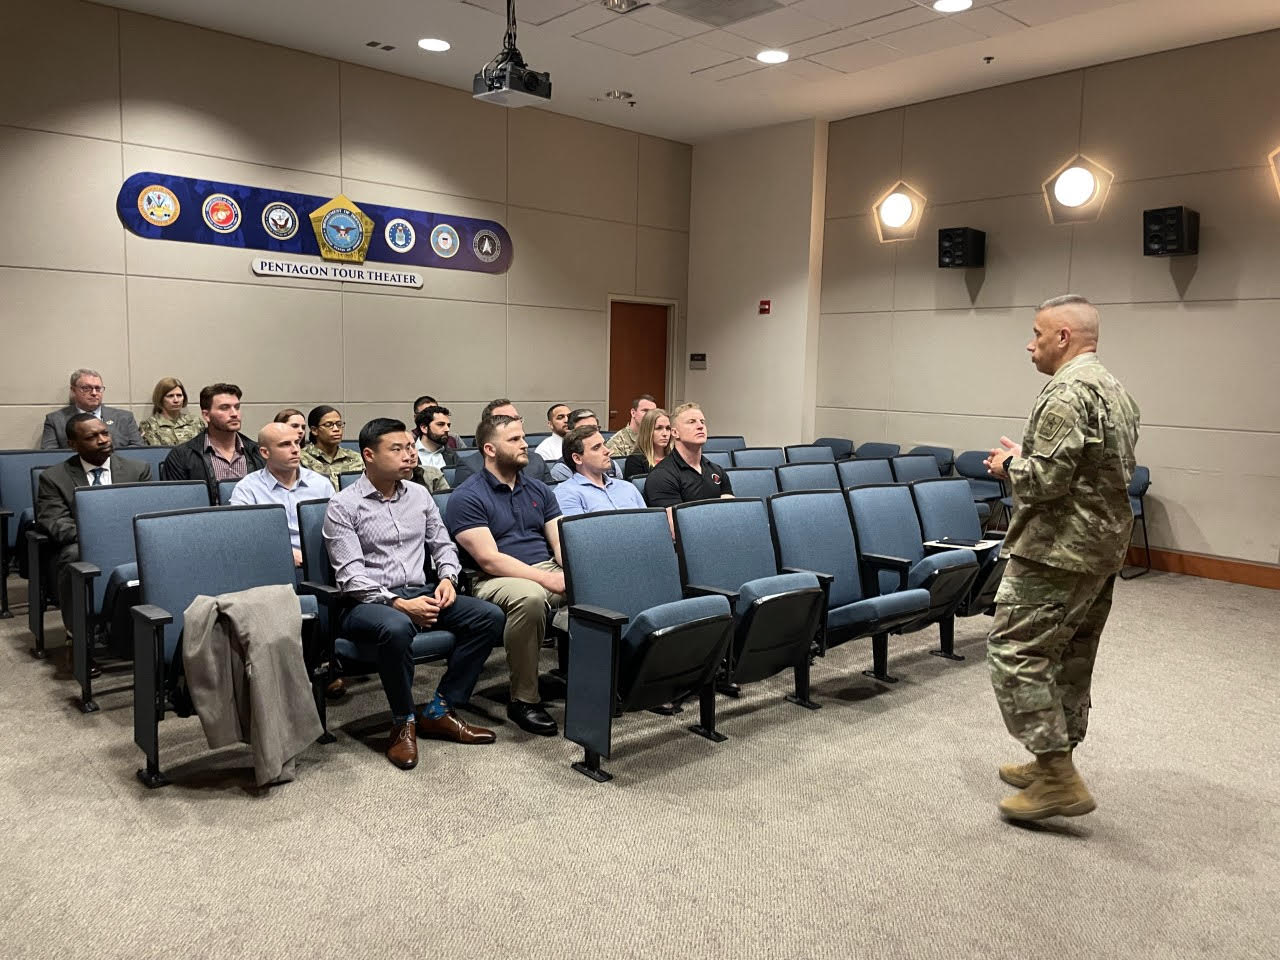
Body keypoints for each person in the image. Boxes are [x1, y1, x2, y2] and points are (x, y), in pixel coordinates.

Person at [982, 294, 1140, 823]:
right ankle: (1056, 755)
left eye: (1037, 333)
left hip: (1058, 551)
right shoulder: (1115, 390)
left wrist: (1009, 465)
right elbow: (1095, 473)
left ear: (1064, 337)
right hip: (1101, 549)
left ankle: (1055, 773)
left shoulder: (1067, 393)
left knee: (1014, 650)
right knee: (1069, 654)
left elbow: (1048, 482)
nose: (1031, 344)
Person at [323, 418, 505, 770]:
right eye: (398, 449)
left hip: (420, 590)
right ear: (368, 456)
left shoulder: (420, 494)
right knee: (396, 627)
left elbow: (442, 545)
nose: (409, 455)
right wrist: (398, 603)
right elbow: (350, 578)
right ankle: (403, 721)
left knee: (489, 616)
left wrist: (449, 579)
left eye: (410, 447)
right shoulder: (344, 505)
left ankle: (440, 708)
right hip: (367, 603)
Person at [445, 414, 565, 737]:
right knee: (531, 598)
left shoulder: (539, 489)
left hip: (543, 569)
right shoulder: (467, 496)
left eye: (523, 437)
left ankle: (605, 683)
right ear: (489, 449)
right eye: (514, 440)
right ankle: (524, 699)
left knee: (600, 583)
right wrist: (547, 579)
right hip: (491, 580)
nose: (525, 444)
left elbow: (559, 543)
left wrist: (574, 570)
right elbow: (490, 560)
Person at [35, 413, 151, 641]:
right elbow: (56, 522)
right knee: (74, 556)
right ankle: (78, 637)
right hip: (83, 545)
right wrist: (99, 539)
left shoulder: (137, 470)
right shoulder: (53, 477)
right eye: (91, 437)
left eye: (105, 433)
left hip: (131, 540)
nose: (102, 440)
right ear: (72, 444)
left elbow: (147, 513)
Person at [228, 422, 333, 569]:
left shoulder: (321, 484)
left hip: (321, 563)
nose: (295, 450)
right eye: (285, 445)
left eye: (297, 443)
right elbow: (243, 537)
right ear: (265, 452)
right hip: (270, 565)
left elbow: (339, 529)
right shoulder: (247, 489)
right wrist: (286, 553)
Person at [160, 383, 264, 501]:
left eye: (237, 407)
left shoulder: (257, 452)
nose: (234, 414)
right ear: (206, 415)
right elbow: (177, 505)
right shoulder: (181, 457)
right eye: (224, 408)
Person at [642, 402, 733, 509]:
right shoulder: (661, 476)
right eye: (691, 422)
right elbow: (678, 522)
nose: (700, 426)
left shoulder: (717, 470)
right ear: (675, 433)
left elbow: (731, 512)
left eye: (702, 422)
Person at [452, 400, 553, 484]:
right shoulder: (469, 467)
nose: (514, 423)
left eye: (517, 418)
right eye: (506, 420)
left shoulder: (536, 461)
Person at [555, 425, 646, 517]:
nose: (607, 451)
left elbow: (647, 524)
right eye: (596, 447)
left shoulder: (628, 487)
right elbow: (578, 530)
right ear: (577, 458)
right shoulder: (566, 493)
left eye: (604, 445)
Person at [41, 368, 144, 449]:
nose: (94, 393)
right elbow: (50, 455)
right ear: (73, 390)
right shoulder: (55, 420)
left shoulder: (124, 418)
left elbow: (138, 450)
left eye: (98, 388)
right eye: (86, 388)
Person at [300, 405, 364, 489]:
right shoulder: (301, 459)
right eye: (328, 424)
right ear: (314, 430)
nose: (336, 429)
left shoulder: (356, 458)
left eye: (339, 424)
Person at [548, 410, 621, 482]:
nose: (592, 433)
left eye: (595, 428)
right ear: (570, 433)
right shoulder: (562, 469)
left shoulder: (612, 465)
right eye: (584, 429)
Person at [139, 377, 203, 446]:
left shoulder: (195, 422)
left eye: (179, 395)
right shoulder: (149, 426)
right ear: (160, 399)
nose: (176, 400)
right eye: (170, 396)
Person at [622, 408, 672, 480]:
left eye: (668, 428)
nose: (665, 434)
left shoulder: (675, 458)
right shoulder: (634, 461)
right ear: (647, 431)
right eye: (659, 428)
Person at [605, 394, 657, 458]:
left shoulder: (658, 438)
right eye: (645, 411)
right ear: (633, 413)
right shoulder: (617, 442)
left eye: (653, 412)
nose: (649, 415)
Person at [413, 405, 460, 471]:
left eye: (448, 425)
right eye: (440, 424)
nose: (447, 429)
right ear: (424, 428)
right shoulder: (409, 454)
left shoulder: (454, 456)